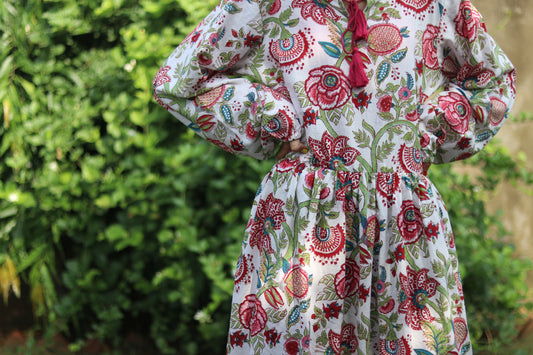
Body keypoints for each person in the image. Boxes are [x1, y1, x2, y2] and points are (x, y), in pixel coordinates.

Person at [153, 0, 516, 353]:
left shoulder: (437, 4)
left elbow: (494, 81)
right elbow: (179, 80)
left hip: (403, 226)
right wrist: (270, 116)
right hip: (304, 223)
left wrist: (429, 134)